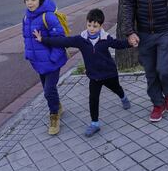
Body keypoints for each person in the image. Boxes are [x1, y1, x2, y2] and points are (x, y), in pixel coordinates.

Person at [33, 9, 132, 137]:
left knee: (117, 88)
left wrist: (130, 43)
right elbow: (63, 41)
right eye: (89, 25)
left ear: (101, 26)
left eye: (95, 26)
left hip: (109, 74)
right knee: (93, 99)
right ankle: (95, 123)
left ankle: (123, 97)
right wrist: (43, 39)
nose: (91, 28)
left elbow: (119, 44)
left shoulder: (105, 38)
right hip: (94, 77)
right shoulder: (81, 40)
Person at [22, 0, 67, 135]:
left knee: (48, 91)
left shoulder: (48, 17)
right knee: (48, 89)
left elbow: (60, 39)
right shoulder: (26, 18)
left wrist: (53, 58)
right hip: (38, 63)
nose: (29, 2)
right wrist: (30, 55)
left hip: (52, 62)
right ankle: (58, 106)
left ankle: (54, 116)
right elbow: (26, 38)